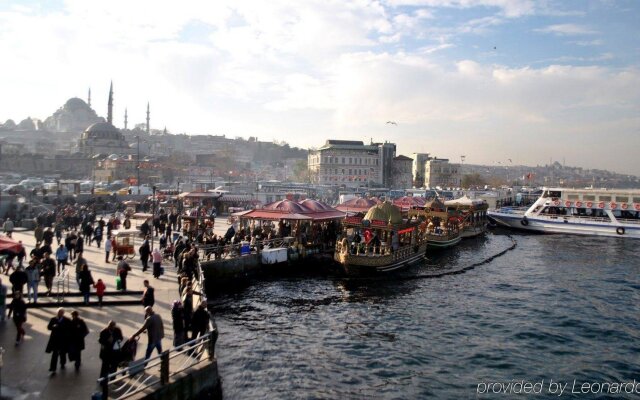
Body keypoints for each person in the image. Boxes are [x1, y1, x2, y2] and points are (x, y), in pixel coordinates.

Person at [46, 307, 71, 375]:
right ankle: (53, 368)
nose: (59, 314)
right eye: (58, 312)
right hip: (55, 340)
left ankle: (62, 363)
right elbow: (48, 327)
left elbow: (69, 328)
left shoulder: (67, 320)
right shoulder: (53, 319)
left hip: (63, 340)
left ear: (63, 313)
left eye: (61, 312)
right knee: (55, 354)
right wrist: (53, 327)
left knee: (62, 353)